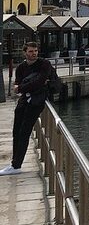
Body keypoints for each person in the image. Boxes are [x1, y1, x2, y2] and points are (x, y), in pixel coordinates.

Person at [0, 43, 53, 175]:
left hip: (36, 101)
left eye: (35, 51)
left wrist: (23, 87)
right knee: (16, 131)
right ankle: (14, 163)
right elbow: (17, 84)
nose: (34, 53)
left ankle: (16, 165)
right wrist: (25, 86)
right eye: (30, 51)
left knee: (24, 131)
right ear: (25, 53)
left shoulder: (44, 64)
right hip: (24, 101)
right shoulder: (21, 67)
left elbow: (39, 82)